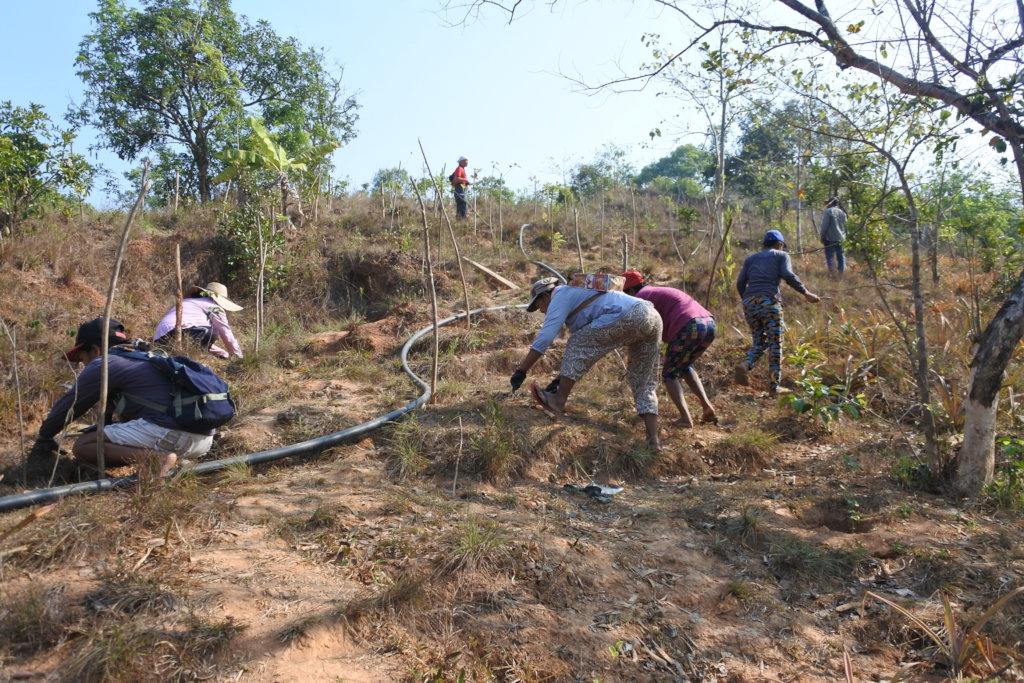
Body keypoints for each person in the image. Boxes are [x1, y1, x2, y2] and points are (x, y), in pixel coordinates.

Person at [30, 317, 215, 478]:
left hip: (173, 435)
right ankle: (171, 463)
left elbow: (70, 405)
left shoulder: (104, 363)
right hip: (203, 441)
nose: (82, 365)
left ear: (95, 350)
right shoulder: (141, 357)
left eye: (82, 358)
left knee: (84, 445)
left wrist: (44, 437)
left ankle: (156, 459)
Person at [509, 277, 664, 451]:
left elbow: (546, 337)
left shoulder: (560, 296)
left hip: (630, 315)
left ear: (545, 296)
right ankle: (653, 440)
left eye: (539, 306)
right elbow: (587, 351)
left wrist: (522, 370)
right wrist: (558, 380)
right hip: (652, 315)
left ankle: (559, 400)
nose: (542, 311)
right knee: (643, 378)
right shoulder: (579, 296)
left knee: (576, 342)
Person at [621, 270, 717, 427]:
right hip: (709, 324)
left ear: (631, 291)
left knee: (669, 374)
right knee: (684, 367)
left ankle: (686, 419)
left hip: (689, 326)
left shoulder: (640, 298)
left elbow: (636, 327)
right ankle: (707, 407)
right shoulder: (656, 291)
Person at [735, 230, 821, 394]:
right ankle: (774, 387)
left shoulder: (750, 259)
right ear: (779, 244)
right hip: (769, 302)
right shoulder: (781, 255)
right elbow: (787, 275)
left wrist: (747, 300)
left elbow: (740, 283)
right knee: (775, 343)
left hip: (749, 303)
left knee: (759, 342)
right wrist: (806, 293)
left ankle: (745, 364)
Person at [152, 282, 243, 359]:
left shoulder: (189, 302)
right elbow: (226, 333)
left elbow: (197, 336)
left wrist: (222, 353)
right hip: (175, 335)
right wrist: (237, 357)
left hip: (159, 341)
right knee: (213, 332)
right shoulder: (214, 307)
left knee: (207, 332)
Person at [819, 197, 848, 276]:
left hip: (830, 238)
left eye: (828, 202)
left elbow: (825, 225)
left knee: (830, 256)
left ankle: (833, 274)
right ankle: (841, 274)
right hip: (841, 238)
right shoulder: (842, 213)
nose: (827, 204)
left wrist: (822, 236)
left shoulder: (828, 211)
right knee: (841, 256)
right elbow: (845, 225)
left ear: (831, 203)